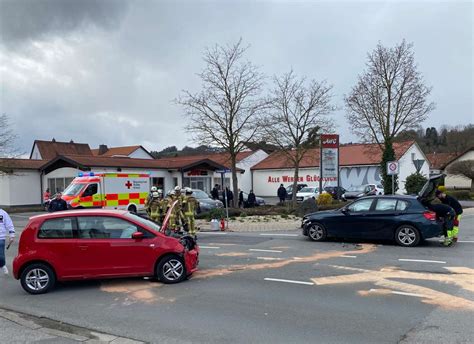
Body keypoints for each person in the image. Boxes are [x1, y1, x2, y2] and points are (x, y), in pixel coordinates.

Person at [0, 208, 15, 275]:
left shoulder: (3, 213)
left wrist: (12, 235)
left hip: (1, 237)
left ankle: (2, 265)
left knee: (1, 256)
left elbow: (9, 224)